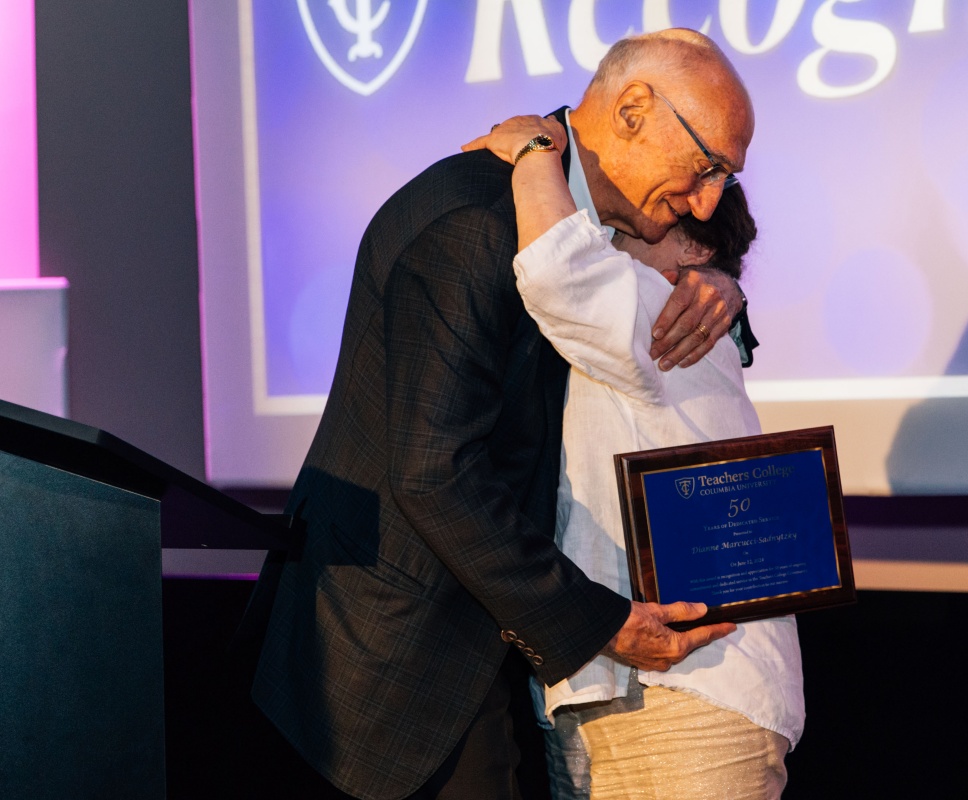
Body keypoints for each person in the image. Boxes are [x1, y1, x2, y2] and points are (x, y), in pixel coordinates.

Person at [252, 29, 756, 800]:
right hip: (403, 661)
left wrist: (719, 274)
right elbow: (432, 472)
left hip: (500, 646)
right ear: (631, 112)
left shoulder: (605, 216)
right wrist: (600, 623)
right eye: (707, 165)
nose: (710, 198)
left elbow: (695, 267)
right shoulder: (478, 219)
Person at [465, 116, 804, 799]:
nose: (607, 238)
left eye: (638, 230)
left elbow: (563, 271)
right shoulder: (668, 319)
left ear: (692, 251)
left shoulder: (671, 316)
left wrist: (535, 150)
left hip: (688, 701)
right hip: (626, 699)